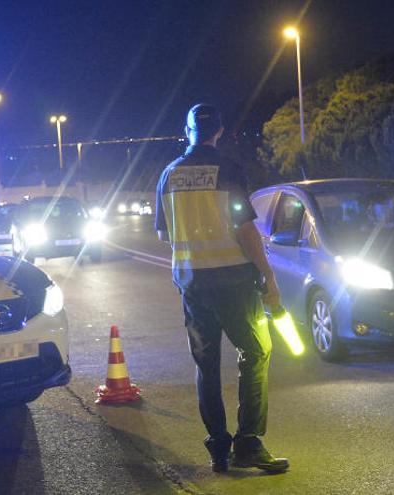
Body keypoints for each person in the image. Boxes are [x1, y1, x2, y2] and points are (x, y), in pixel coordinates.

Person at [155, 104, 289, 473]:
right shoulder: (227, 170)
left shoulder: (168, 176)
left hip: (193, 284)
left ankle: (218, 448)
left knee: (206, 365)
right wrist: (268, 275)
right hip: (233, 280)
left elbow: (165, 233)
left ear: (187, 131)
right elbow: (245, 229)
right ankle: (248, 444)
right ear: (219, 132)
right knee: (257, 351)